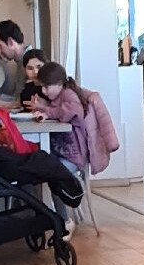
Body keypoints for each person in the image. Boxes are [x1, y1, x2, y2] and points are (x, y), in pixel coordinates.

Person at [28, 61, 94, 241]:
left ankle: (65, 221)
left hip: (74, 155)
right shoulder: (59, 96)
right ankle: (50, 218)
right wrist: (44, 107)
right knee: (37, 168)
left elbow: (69, 112)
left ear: (59, 84)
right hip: (61, 152)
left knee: (53, 175)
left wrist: (46, 111)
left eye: (46, 87)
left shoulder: (69, 95)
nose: (44, 91)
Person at [0, 19, 26, 101]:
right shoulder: (21, 62)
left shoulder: (29, 63)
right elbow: (19, 98)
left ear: (10, 42)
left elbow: (22, 102)